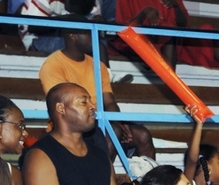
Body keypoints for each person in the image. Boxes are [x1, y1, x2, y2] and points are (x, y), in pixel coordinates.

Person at [38, 16, 155, 164]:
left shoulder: (98, 66)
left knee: (142, 135)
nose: (94, 38)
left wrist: (118, 122)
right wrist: (113, 127)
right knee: (114, 132)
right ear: (73, 36)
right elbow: (63, 108)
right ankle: (101, 177)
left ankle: (149, 179)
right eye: (88, 33)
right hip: (71, 125)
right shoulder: (52, 65)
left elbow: (109, 102)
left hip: (99, 122)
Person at [114, 0, 219, 103]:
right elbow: (124, 28)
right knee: (168, 32)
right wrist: (144, 13)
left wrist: (175, 5)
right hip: (145, 43)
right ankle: (173, 88)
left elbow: (184, 24)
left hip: (174, 42)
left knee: (207, 32)